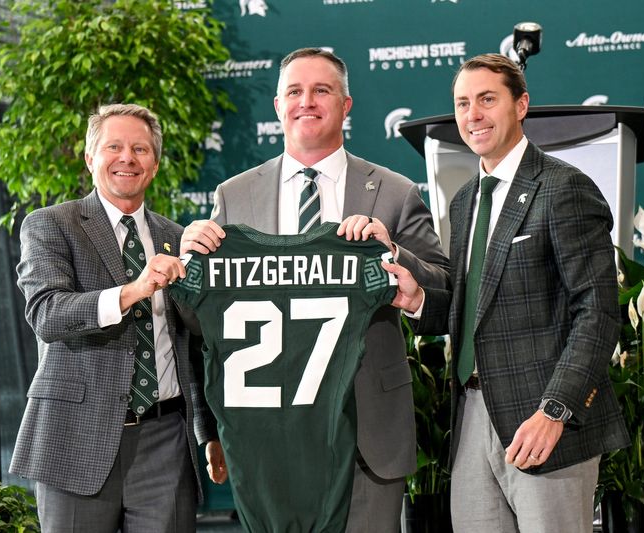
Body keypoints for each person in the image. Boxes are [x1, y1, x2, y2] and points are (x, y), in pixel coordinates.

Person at [181, 47, 451, 532]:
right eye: (295, 91)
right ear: (278, 106)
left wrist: (395, 255)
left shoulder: (393, 192)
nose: (307, 101)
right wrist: (188, 264)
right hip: (273, 438)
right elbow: (202, 321)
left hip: (368, 431)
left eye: (322, 90)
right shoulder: (233, 196)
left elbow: (445, 293)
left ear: (346, 105)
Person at [382, 53, 630, 532]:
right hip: (473, 417)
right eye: (462, 103)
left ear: (521, 106)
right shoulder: (464, 200)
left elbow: (597, 312)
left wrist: (556, 410)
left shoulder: (564, 188)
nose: (472, 114)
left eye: (487, 99)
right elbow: (475, 305)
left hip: (544, 421)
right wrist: (419, 301)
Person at [10, 103, 227, 532]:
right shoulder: (51, 225)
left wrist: (209, 431)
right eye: (114, 146)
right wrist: (133, 291)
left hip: (166, 439)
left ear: (155, 164)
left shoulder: (176, 238)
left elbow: (195, 346)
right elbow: (48, 314)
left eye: (140, 149)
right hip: (75, 437)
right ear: (91, 157)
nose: (127, 158)